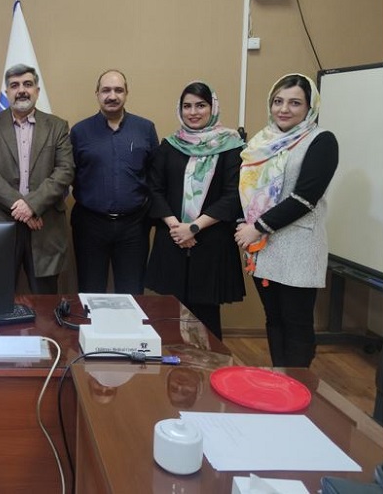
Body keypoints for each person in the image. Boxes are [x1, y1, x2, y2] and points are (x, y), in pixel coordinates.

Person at [235, 73, 338, 368]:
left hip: (298, 247)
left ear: (310, 107)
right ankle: (279, 376)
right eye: (278, 101)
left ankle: (299, 383)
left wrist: (256, 228)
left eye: (295, 103)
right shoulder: (262, 142)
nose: (284, 109)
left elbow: (305, 198)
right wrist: (246, 224)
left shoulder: (321, 141)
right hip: (264, 248)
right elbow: (249, 190)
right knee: (274, 318)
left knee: (296, 322)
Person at [145, 82, 245, 340]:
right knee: (171, 312)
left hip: (210, 240)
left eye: (200, 105)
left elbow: (233, 195)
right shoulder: (170, 145)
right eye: (187, 106)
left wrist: (194, 227)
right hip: (173, 239)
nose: (193, 112)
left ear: (212, 108)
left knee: (206, 314)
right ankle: (175, 364)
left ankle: (209, 363)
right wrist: (176, 227)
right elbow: (154, 189)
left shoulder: (231, 145)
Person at [0, 64, 74, 294]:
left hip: (45, 225)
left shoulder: (57, 126)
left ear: (37, 90)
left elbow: (65, 170)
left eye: (27, 84)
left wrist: (33, 205)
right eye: (14, 85)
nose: (21, 90)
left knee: (45, 300)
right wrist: (24, 207)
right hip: (1, 223)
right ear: (6, 92)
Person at [70, 70, 158, 295]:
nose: (112, 96)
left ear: (127, 93)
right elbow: (68, 174)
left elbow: (155, 176)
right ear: (97, 93)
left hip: (134, 226)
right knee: (90, 292)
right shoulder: (79, 131)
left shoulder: (145, 129)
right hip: (90, 225)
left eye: (118, 90)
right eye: (106, 90)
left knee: (132, 293)